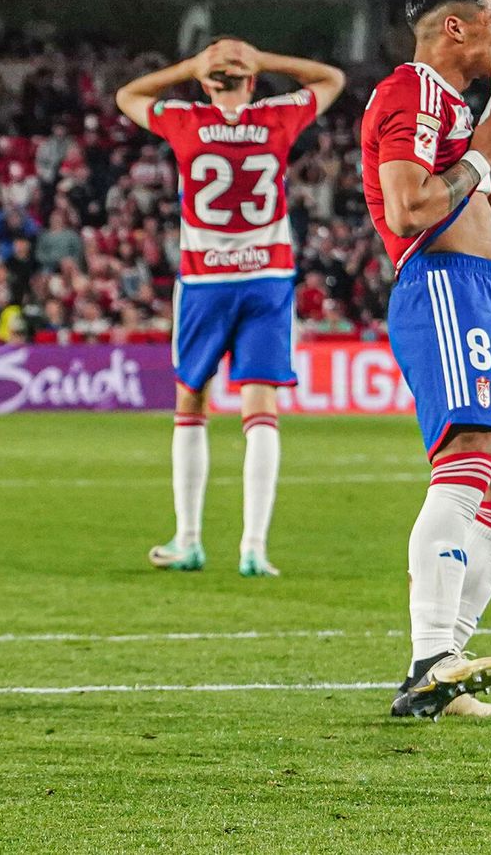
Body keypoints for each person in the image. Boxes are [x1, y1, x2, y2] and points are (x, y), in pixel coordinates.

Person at [360, 0, 491, 720]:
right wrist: (478, 156)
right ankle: (432, 656)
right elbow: (409, 211)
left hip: (488, 294)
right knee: (467, 455)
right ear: (455, 27)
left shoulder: (453, 105)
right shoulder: (411, 91)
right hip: (442, 286)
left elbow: (461, 204)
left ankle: (442, 668)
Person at [116, 38, 345, 578]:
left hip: (206, 280)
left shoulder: (185, 121)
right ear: (251, 77)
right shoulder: (277, 117)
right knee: (261, 410)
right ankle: (253, 548)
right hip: (267, 277)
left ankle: (189, 539)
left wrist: (186, 67)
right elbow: (331, 78)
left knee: (190, 403)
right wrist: (271, 61)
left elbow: (127, 94)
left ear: (205, 79)